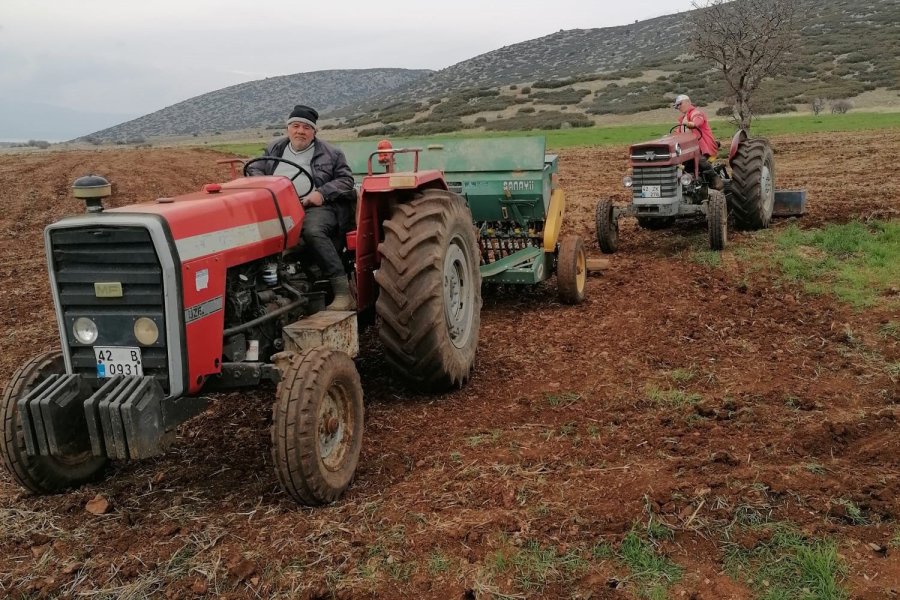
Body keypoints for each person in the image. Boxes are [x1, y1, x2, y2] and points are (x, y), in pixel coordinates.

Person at [248, 105, 356, 310]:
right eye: (296, 126)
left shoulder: (331, 153)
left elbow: (346, 180)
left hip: (316, 206)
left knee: (312, 231)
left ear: (314, 131)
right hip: (278, 207)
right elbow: (255, 167)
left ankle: (343, 292)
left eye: (306, 127)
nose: (300, 131)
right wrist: (264, 186)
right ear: (288, 129)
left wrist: (321, 193)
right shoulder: (275, 148)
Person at [673, 94, 723, 190]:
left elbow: (698, 121)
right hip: (689, 149)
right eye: (676, 106)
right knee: (680, 163)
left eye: (680, 104)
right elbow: (678, 133)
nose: (678, 107)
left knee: (699, 159)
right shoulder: (683, 119)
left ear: (688, 102)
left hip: (702, 147)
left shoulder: (696, 112)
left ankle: (714, 177)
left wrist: (692, 124)